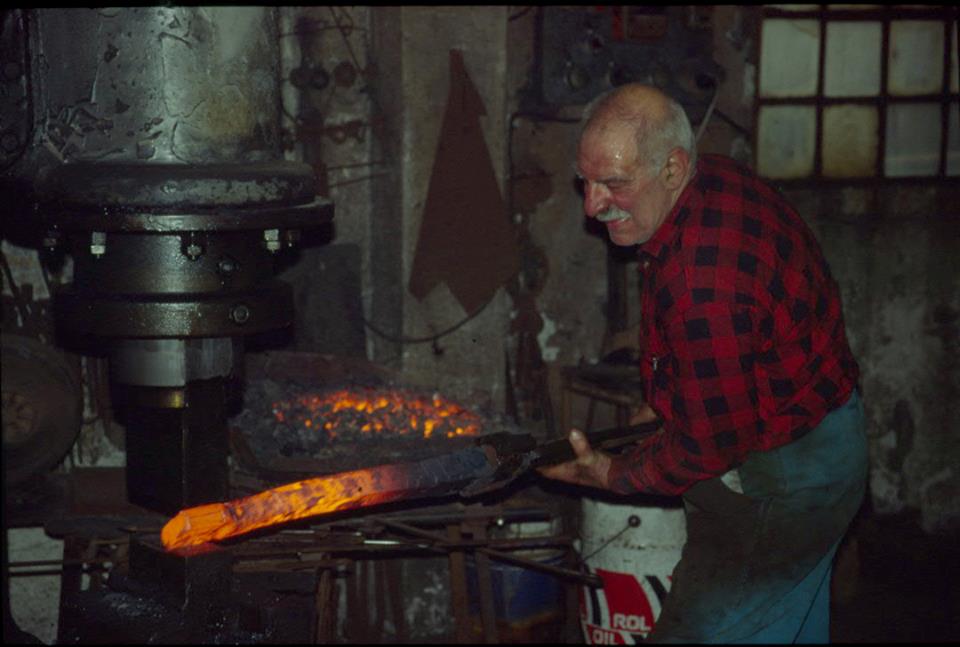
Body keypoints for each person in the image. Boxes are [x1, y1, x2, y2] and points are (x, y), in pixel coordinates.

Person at [539, 83, 867, 643]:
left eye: (614, 184)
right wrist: (671, 392)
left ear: (672, 167)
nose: (593, 207)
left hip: (785, 481)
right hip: (829, 433)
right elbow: (734, 348)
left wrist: (612, 473)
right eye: (585, 183)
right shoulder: (709, 179)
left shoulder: (704, 284)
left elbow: (713, 443)